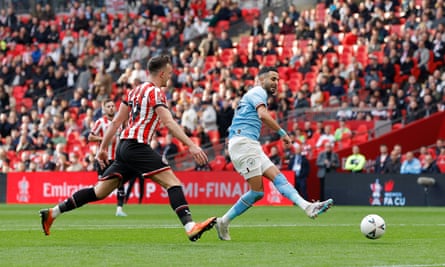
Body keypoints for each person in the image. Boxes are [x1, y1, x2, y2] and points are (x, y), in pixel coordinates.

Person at [39, 55, 216, 242]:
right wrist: (192, 145)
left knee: (99, 192)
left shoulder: (133, 92)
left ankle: (53, 212)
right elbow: (169, 122)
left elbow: (115, 122)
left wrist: (103, 148)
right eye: (169, 74)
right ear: (162, 74)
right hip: (136, 146)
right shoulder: (156, 93)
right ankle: (190, 226)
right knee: (173, 183)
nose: (170, 77)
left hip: (123, 147)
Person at [215, 67, 333, 241]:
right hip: (243, 143)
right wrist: (282, 133)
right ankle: (223, 221)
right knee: (257, 192)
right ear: (261, 80)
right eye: (272, 78)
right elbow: (262, 115)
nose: (276, 82)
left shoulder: (255, 94)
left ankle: (307, 207)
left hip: (249, 143)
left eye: (278, 79)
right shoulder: (257, 91)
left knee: (278, 177)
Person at [88, 99, 127, 217]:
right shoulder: (100, 122)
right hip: (103, 159)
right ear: (104, 109)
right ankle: (88, 197)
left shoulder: (119, 122)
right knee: (101, 186)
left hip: (117, 159)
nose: (111, 108)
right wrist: (104, 138)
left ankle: (119, 209)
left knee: (120, 183)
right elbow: (90, 137)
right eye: (108, 106)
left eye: (112, 106)